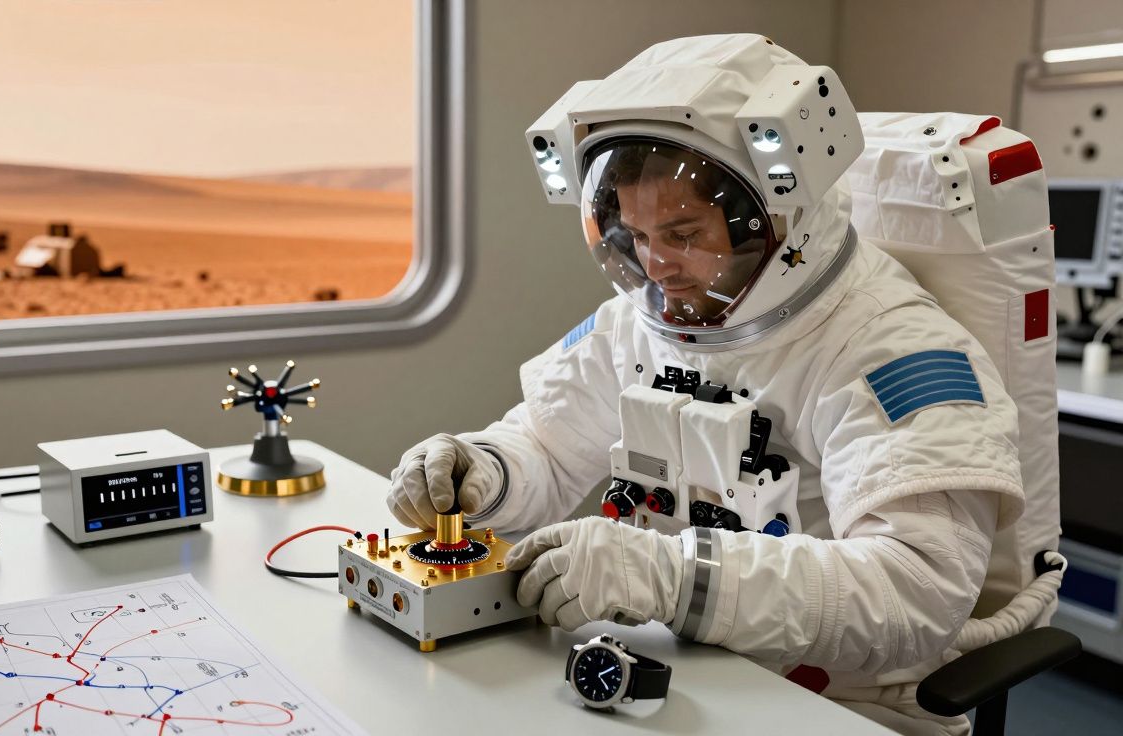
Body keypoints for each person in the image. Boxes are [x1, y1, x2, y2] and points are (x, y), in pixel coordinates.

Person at [387, 34, 1024, 734]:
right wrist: (486, 470)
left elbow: (916, 596)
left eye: (684, 233)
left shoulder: (887, 345)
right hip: (671, 669)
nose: (657, 266)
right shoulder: (638, 326)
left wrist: (671, 577)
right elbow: (547, 443)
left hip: (840, 703)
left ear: (778, 218)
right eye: (634, 235)